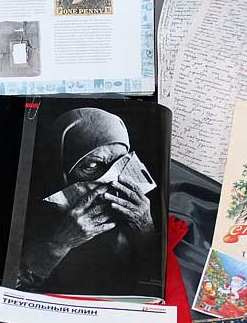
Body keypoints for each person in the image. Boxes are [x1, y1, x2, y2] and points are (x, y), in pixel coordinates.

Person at [17, 107, 156, 295]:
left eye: (121, 163)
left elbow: (154, 282)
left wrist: (145, 228)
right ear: (60, 166)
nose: (111, 180)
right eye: (92, 166)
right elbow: (9, 290)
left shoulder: (135, 211)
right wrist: (58, 245)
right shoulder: (23, 216)